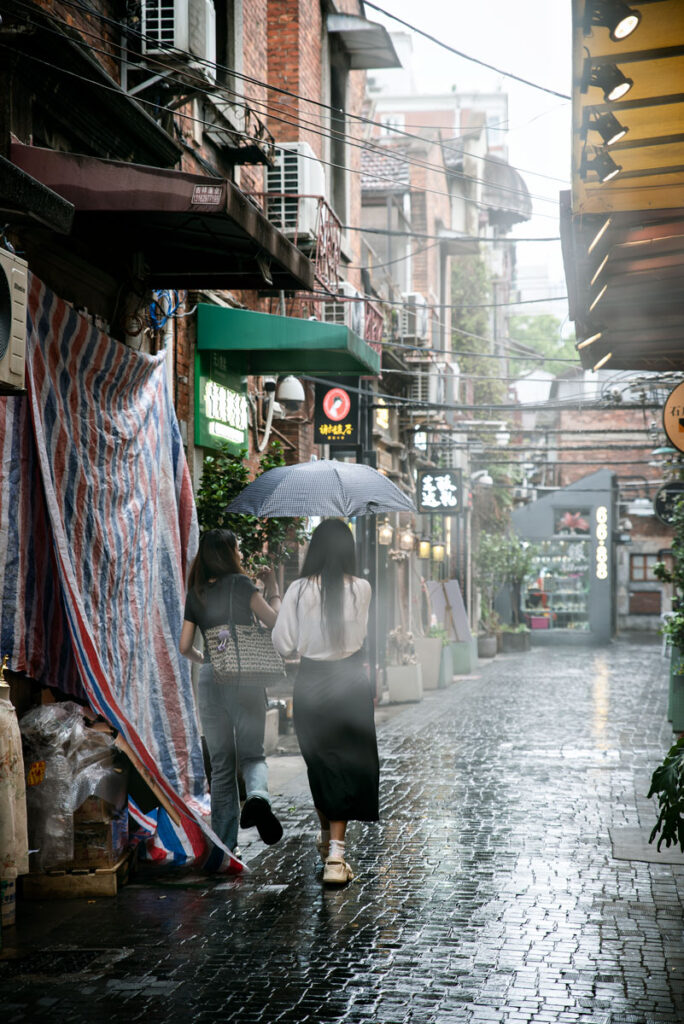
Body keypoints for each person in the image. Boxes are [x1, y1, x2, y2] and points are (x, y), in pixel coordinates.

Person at [271, 518, 379, 885]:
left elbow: (283, 644)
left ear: (313, 549)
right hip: (350, 681)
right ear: (349, 550)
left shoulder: (299, 590)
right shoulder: (362, 588)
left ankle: (333, 850)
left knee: (320, 763)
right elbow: (362, 634)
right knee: (346, 763)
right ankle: (334, 850)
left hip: (313, 683)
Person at [180, 529, 283, 856]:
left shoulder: (196, 592)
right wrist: (274, 590)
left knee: (221, 764)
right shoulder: (242, 585)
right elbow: (275, 621)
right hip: (246, 678)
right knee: (252, 754)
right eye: (237, 549)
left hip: (212, 677)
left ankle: (224, 848)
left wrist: (207, 660)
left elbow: (185, 646)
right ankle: (257, 798)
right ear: (229, 553)